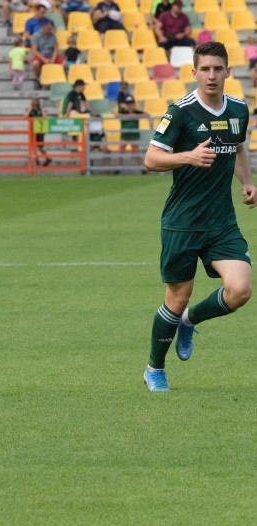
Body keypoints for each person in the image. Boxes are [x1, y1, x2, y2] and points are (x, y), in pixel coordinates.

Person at [141, 41, 255, 392]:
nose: (211, 75)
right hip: (182, 222)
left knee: (240, 290)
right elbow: (151, 159)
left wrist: (248, 182)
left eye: (217, 69)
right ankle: (154, 368)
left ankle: (190, 322)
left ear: (227, 72)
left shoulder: (238, 110)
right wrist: (187, 157)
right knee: (176, 298)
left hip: (221, 222)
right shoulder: (180, 112)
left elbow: (237, 148)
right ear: (194, 72)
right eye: (204, 69)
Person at [30, 20, 63, 88]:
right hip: (40, 55)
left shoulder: (52, 36)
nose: (50, 30)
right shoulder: (36, 35)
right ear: (43, 27)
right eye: (48, 28)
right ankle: (39, 78)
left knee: (64, 63)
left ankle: (58, 78)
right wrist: (44, 59)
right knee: (35, 64)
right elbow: (34, 50)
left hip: (50, 55)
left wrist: (53, 59)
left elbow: (56, 49)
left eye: (50, 28)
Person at [24, 97, 52, 166]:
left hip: (40, 130)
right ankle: (36, 160)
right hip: (32, 130)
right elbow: (25, 116)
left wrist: (41, 109)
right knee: (33, 146)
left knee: (40, 146)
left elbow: (45, 117)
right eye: (33, 103)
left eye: (36, 103)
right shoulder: (29, 110)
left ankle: (47, 158)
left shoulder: (41, 110)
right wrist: (30, 108)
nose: (35, 105)